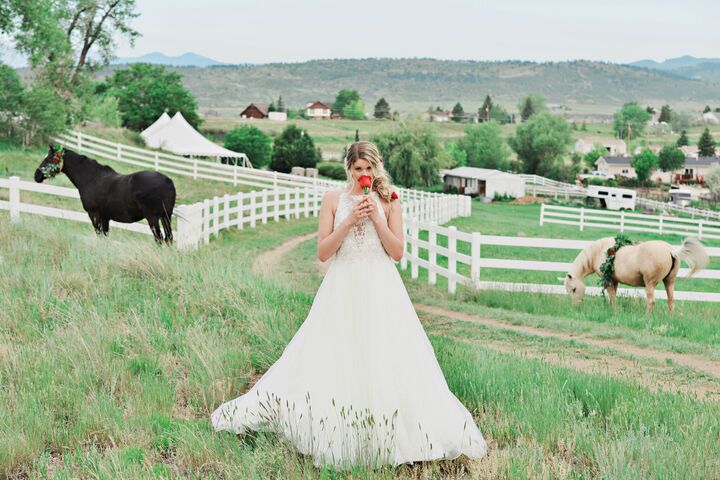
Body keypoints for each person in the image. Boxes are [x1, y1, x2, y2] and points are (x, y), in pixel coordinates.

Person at [211, 141, 487, 468]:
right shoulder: (333, 200)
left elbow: (397, 252)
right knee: (335, 353)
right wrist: (349, 220)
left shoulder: (391, 200)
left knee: (386, 356)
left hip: (381, 287)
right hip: (342, 287)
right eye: (358, 169)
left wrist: (378, 219)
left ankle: (393, 436)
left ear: (377, 168)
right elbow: (323, 252)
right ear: (349, 169)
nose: (364, 175)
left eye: (369, 169)